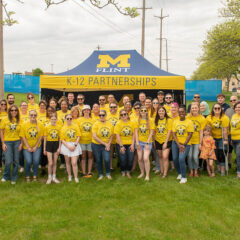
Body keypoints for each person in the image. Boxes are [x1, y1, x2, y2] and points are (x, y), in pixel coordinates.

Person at [20, 110, 44, 182]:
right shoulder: (24, 124)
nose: (33, 116)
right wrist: (28, 147)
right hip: (26, 146)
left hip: (37, 146)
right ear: (29, 116)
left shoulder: (40, 124)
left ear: (36, 116)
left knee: (36, 161)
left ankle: (34, 175)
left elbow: (40, 137)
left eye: (34, 115)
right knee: (28, 161)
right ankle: (27, 175)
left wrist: (36, 146)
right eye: (31, 115)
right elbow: (23, 136)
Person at [0, 105, 22, 184]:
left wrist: (21, 144)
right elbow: (1, 131)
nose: (14, 112)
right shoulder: (5, 120)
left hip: (17, 142)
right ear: (9, 111)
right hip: (7, 142)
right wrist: (3, 143)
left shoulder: (20, 120)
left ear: (17, 111)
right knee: (8, 161)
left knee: (16, 161)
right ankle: (6, 176)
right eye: (12, 110)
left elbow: (22, 133)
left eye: (15, 110)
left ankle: (14, 177)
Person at [172, 106, 193, 184]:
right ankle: (180, 173)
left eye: (182, 112)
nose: (181, 113)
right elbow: (174, 134)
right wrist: (178, 145)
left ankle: (184, 177)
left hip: (186, 144)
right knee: (175, 159)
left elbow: (190, 134)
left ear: (185, 113)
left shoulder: (189, 122)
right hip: (176, 143)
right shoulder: (175, 121)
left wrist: (183, 145)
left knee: (181, 158)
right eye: (179, 112)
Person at [206, 103, 229, 176]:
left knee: (221, 152)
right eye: (215, 108)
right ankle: (218, 168)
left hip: (221, 137)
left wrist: (225, 140)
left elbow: (225, 130)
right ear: (213, 109)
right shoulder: (209, 118)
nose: (217, 110)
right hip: (213, 138)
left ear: (221, 109)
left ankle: (222, 169)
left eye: (218, 108)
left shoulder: (224, 118)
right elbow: (208, 128)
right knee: (215, 153)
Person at [92, 110, 113, 180]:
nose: (101, 116)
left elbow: (112, 135)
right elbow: (95, 136)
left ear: (106, 115)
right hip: (96, 145)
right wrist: (105, 144)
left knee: (107, 159)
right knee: (98, 160)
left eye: (103, 115)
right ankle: (100, 174)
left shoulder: (110, 124)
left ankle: (108, 173)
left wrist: (109, 144)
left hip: (106, 144)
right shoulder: (95, 124)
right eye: (100, 115)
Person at [135, 105, 154, 181]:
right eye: (142, 110)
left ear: (147, 112)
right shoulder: (137, 120)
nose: (143, 112)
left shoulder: (151, 120)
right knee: (139, 158)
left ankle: (147, 175)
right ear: (140, 111)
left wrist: (147, 143)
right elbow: (136, 132)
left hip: (147, 142)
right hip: (139, 142)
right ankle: (142, 172)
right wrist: (137, 143)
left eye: (145, 110)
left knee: (145, 158)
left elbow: (151, 132)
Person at [60, 114, 81, 182]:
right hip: (66, 145)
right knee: (67, 162)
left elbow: (78, 136)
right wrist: (68, 146)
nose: (69, 120)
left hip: (75, 144)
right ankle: (69, 176)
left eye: (70, 118)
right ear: (65, 119)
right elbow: (62, 139)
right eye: (67, 118)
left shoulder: (75, 126)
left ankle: (76, 177)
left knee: (74, 162)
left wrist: (74, 145)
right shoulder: (63, 128)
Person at [187, 102, 206, 177]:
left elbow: (201, 132)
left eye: (195, 108)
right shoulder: (188, 117)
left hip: (197, 140)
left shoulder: (202, 118)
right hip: (189, 141)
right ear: (191, 109)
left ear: (198, 109)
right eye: (193, 108)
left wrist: (200, 143)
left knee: (195, 156)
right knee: (189, 156)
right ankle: (191, 171)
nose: (194, 109)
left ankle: (196, 170)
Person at [115, 109, 135, 178]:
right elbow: (117, 135)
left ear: (127, 115)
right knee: (123, 159)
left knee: (130, 159)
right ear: (120, 116)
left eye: (125, 114)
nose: (123, 116)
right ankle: (123, 171)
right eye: (122, 115)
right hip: (121, 144)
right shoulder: (118, 123)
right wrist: (121, 146)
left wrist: (132, 145)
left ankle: (128, 171)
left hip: (130, 144)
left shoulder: (131, 123)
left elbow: (133, 134)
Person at [154, 106, 172, 178]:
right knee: (160, 156)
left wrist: (165, 142)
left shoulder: (168, 120)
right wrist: (154, 142)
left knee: (165, 157)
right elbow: (154, 132)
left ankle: (165, 173)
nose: (161, 112)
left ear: (165, 112)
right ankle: (161, 171)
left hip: (166, 141)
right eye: (159, 111)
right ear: (157, 112)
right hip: (158, 140)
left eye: (162, 111)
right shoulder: (156, 120)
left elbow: (169, 131)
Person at [43, 113, 61, 184]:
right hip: (49, 144)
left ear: (56, 120)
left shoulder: (59, 127)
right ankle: (49, 177)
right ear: (50, 120)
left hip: (56, 144)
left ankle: (54, 176)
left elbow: (60, 139)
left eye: (55, 119)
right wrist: (44, 149)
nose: (53, 120)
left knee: (55, 162)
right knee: (50, 163)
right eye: (52, 119)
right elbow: (45, 139)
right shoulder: (47, 127)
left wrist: (59, 147)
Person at [78, 105, 94, 177]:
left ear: (90, 111)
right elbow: (77, 130)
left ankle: (89, 171)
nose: (86, 111)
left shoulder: (93, 120)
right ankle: (84, 172)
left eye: (88, 110)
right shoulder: (79, 120)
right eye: (85, 110)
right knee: (83, 156)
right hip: (82, 141)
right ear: (83, 111)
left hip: (90, 141)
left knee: (90, 156)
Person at [107, 102, 119, 171]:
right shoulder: (107, 116)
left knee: (119, 154)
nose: (113, 108)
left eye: (114, 107)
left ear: (117, 108)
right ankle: (111, 167)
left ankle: (119, 164)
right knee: (110, 154)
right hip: (110, 138)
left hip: (118, 138)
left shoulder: (119, 115)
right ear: (109, 108)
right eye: (111, 107)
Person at [230, 101, 240, 178]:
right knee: (237, 156)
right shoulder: (234, 116)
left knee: (238, 156)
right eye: (236, 107)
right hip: (233, 140)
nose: (238, 108)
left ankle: (238, 173)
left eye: (239, 107)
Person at [0, 99, 7, 173]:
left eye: (5, 104)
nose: (3, 106)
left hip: (5, 135)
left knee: (5, 151)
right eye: (2, 104)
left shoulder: (8, 113)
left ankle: (5, 165)